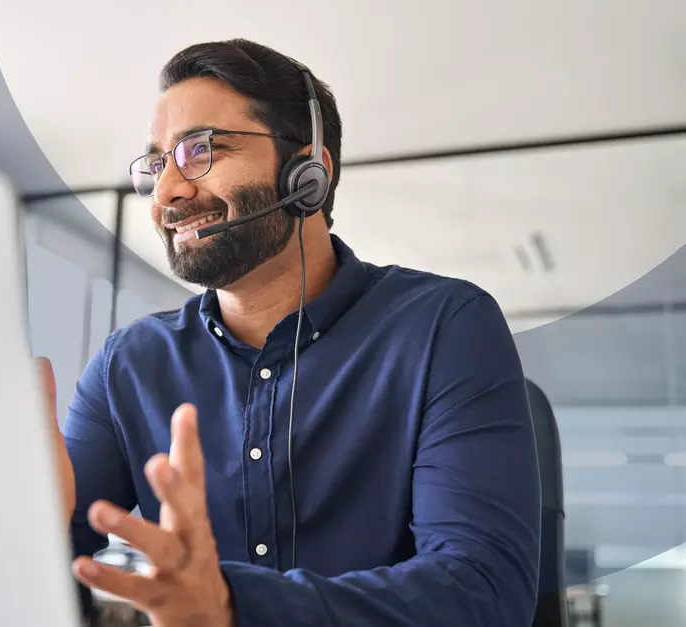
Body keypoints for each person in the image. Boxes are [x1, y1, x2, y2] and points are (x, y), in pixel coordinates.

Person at [43, 38, 542, 627]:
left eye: (200, 150)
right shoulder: (129, 364)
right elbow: (39, 568)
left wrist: (231, 606)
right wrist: (23, 518)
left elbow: (484, 590)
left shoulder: (443, 327)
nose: (168, 193)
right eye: (156, 166)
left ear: (309, 172)